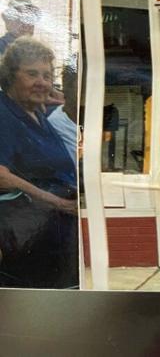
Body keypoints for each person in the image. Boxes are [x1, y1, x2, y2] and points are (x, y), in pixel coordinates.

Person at [0, 37, 78, 288]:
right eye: (32, 74)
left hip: (56, 235)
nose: (41, 82)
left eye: (47, 75)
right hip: (28, 240)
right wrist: (56, 202)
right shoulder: (4, 114)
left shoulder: (37, 113)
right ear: (11, 76)